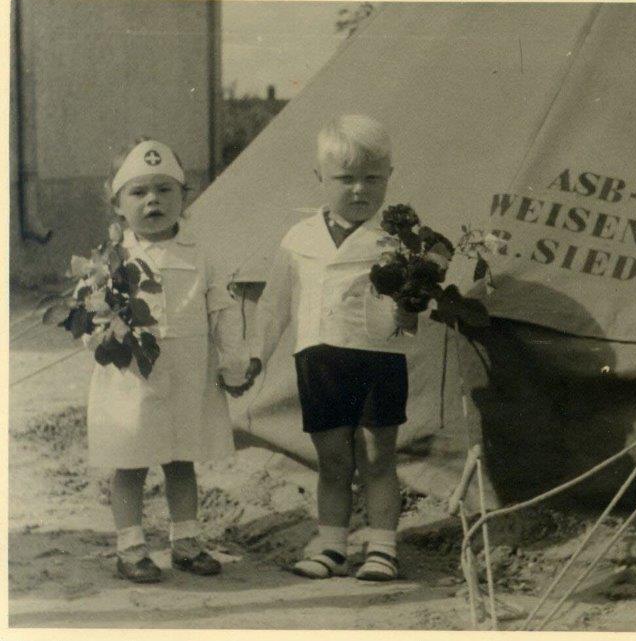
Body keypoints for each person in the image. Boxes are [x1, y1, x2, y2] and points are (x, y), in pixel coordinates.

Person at [85, 138, 260, 583]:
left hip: (187, 375)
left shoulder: (201, 255)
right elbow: (92, 317)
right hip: (133, 379)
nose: (153, 201)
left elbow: (221, 312)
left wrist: (233, 363)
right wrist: (102, 333)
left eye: (164, 190)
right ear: (118, 204)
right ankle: (131, 546)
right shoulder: (112, 259)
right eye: (139, 192)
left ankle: (186, 542)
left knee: (182, 460)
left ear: (185, 197)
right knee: (130, 460)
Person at [254, 114, 418, 581]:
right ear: (320, 179)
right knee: (333, 460)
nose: (359, 190)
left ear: (390, 178)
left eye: (372, 178)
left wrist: (411, 306)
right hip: (320, 361)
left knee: (377, 456)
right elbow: (275, 306)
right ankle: (331, 546)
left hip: (378, 359)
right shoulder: (299, 238)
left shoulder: (399, 241)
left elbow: (409, 323)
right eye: (345, 179)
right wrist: (254, 358)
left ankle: (383, 547)